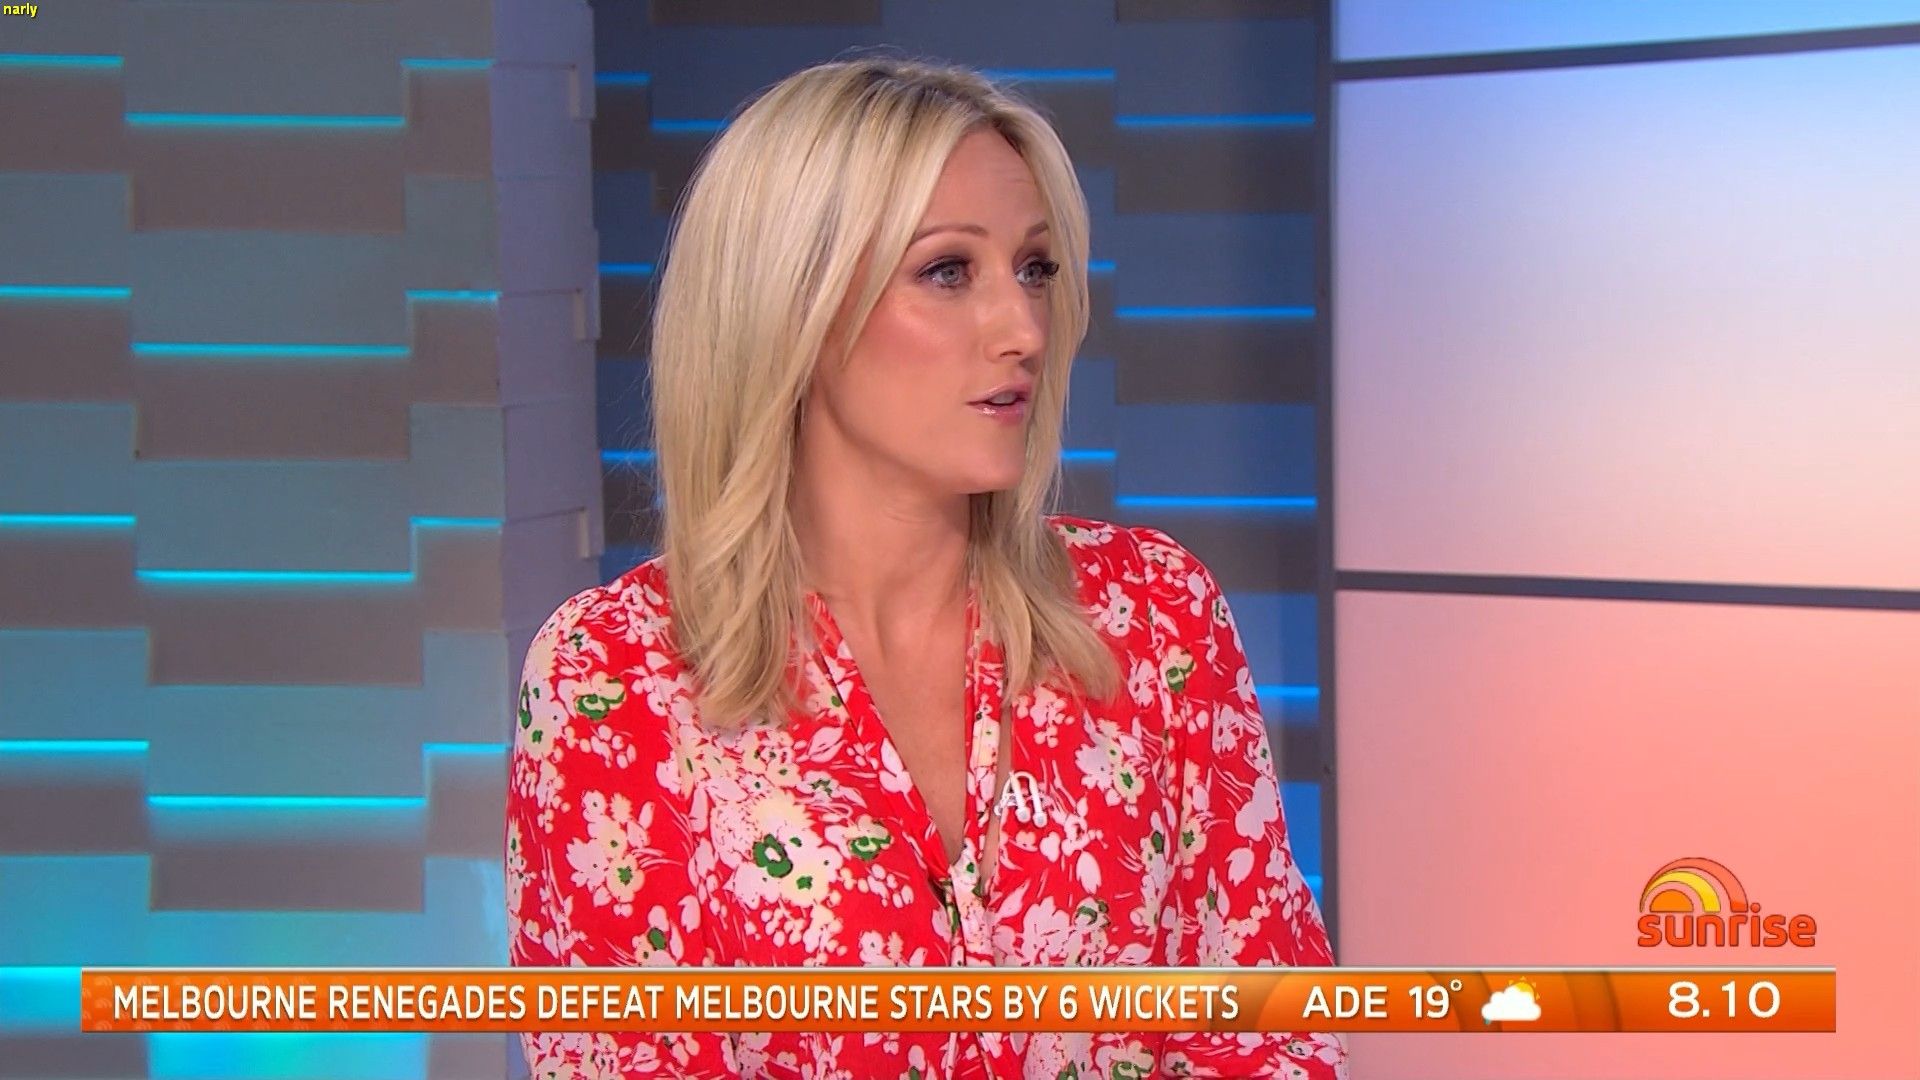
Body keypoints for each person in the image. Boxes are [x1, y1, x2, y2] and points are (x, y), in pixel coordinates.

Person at [506, 55, 1348, 1079]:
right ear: (794, 306)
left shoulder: (1155, 613)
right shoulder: (612, 676)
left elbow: (1267, 1034)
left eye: (1034, 270)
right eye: (949, 272)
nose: (1022, 329)